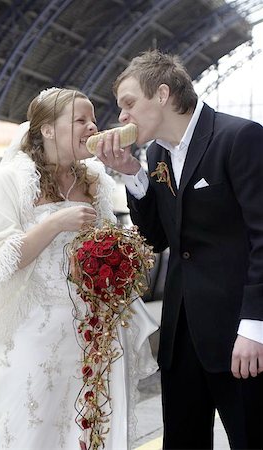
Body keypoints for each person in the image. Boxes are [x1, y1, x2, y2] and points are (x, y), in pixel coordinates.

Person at [0, 87, 158, 450]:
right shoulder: (11, 181)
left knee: (93, 432)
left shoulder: (96, 181)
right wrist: (54, 223)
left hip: (97, 337)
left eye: (94, 120)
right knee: (34, 431)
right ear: (48, 129)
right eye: (80, 120)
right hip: (36, 338)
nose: (92, 127)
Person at [92, 50, 263, 449]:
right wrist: (134, 178)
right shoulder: (154, 156)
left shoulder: (240, 138)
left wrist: (255, 326)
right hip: (182, 335)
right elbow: (158, 240)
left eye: (129, 103)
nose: (122, 117)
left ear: (163, 93)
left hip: (239, 334)